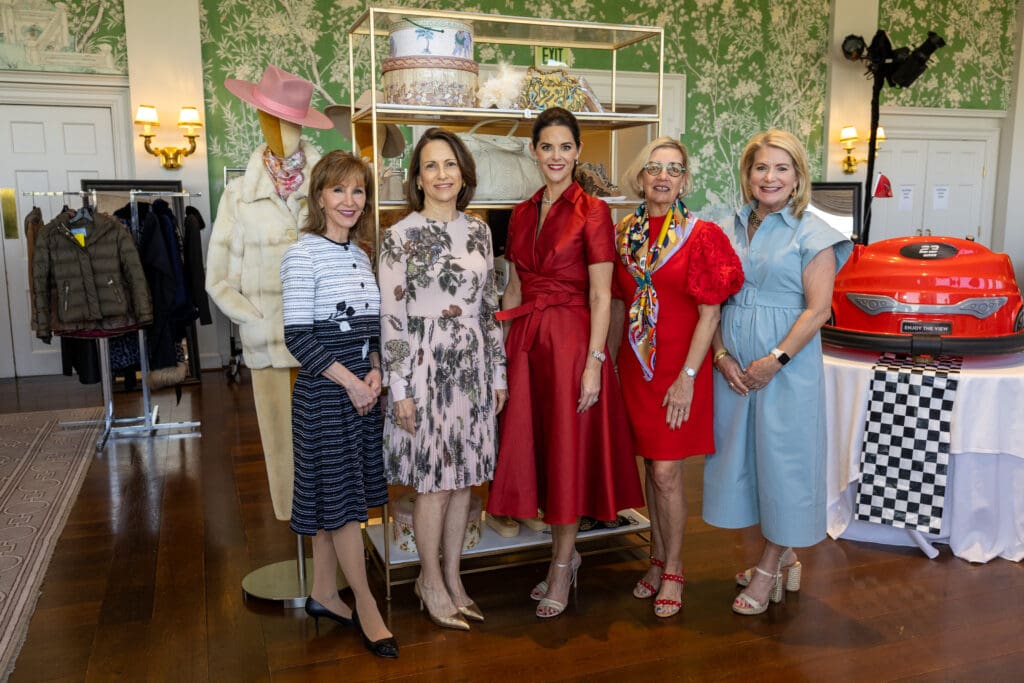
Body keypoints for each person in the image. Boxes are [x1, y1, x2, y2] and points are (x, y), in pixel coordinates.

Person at [488, 107, 644, 619]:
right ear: (534, 152)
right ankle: (564, 553)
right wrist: (502, 357)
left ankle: (561, 563)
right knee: (539, 449)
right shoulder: (520, 210)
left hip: (573, 342)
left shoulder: (593, 211)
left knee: (567, 453)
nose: (556, 156)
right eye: (546, 147)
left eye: (565, 147)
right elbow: (512, 285)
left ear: (577, 153)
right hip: (528, 344)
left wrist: (595, 363)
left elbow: (603, 296)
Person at [702, 129, 853, 615]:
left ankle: (768, 567)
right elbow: (711, 299)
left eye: (781, 168)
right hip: (733, 371)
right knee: (746, 463)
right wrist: (721, 355)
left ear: (798, 177)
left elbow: (817, 311)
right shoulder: (723, 226)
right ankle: (785, 556)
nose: (770, 177)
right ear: (747, 175)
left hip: (786, 371)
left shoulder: (815, 233)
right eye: (761, 167)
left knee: (786, 466)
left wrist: (775, 360)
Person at [379, 128, 507, 631]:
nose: (441, 175)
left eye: (449, 164)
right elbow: (392, 316)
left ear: (463, 172)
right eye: (430, 166)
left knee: (463, 482)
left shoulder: (480, 231)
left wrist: (498, 373)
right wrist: (401, 387)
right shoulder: (398, 236)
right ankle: (428, 579)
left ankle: (454, 579)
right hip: (425, 364)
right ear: (417, 177)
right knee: (432, 483)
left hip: (473, 365)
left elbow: (490, 308)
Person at [611, 137, 743, 618]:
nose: (663, 177)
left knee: (668, 472)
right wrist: (602, 361)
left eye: (673, 169)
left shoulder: (700, 235)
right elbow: (620, 304)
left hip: (679, 368)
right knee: (651, 466)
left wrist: (688, 375)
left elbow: (710, 314)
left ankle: (675, 569)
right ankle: (656, 558)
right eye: (654, 169)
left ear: (685, 180)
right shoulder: (624, 233)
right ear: (641, 178)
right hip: (636, 367)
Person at [280, 151, 397, 658]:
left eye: (358, 191)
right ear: (319, 196)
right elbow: (298, 338)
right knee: (346, 505)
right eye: (339, 190)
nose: (350, 201)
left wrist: (374, 367)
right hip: (326, 396)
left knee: (337, 496)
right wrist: (352, 382)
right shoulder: (301, 253)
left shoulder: (362, 254)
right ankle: (367, 606)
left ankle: (324, 593)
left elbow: (371, 327)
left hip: (360, 391)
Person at [207, 64, 331, 522]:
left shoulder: (329, 186)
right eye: (271, 118)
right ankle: (296, 533)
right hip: (267, 342)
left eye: (291, 121)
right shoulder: (239, 195)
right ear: (259, 120)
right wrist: (253, 319)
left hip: (325, 343)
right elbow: (216, 277)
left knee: (329, 449)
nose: (282, 130)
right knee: (282, 447)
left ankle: (332, 539)